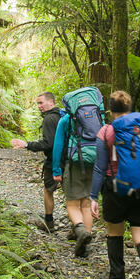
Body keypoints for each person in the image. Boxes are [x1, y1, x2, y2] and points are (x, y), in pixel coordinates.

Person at [90, 90, 140, 279]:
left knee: (115, 231)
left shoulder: (106, 131)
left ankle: (116, 277)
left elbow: (100, 167)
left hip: (115, 189)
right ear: (129, 107)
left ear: (110, 110)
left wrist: (93, 197)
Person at [51, 104, 97, 258]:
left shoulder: (66, 119)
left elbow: (57, 146)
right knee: (86, 203)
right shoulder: (95, 118)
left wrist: (56, 170)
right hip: (93, 163)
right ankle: (86, 238)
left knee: (72, 203)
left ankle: (81, 231)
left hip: (74, 164)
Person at [11, 92, 61, 232]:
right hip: (69, 159)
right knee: (71, 195)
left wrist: (27, 145)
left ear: (51, 102)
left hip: (54, 161)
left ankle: (49, 222)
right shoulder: (62, 116)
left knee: (48, 190)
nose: (39, 106)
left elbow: (48, 144)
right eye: (38, 103)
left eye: (41, 103)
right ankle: (78, 228)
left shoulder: (49, 119)